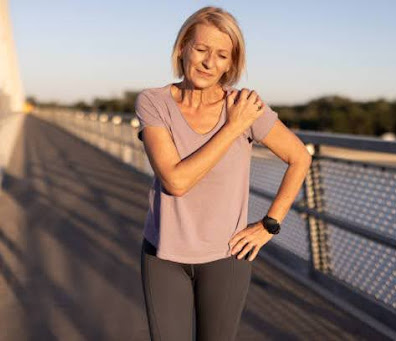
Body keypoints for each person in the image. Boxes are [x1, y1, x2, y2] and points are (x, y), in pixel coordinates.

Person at [135, 6, 312, 341]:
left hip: (226, 257)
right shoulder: (153, 102)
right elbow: (176, 181)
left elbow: (300, 157)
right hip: (163, 255)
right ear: (183, 47)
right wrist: (232, 128)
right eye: (201, 49)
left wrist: (268, 225)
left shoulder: (246, 107)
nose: (208, 62)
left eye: (221, 55)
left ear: (231, 63)